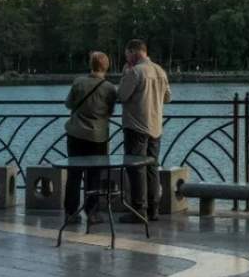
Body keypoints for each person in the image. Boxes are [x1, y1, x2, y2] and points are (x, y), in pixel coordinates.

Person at [118, 39, 170, 222]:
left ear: (133, 52)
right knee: (152, 168)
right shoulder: (160, 70)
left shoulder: (135, 71)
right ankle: (153, 208)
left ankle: (139, 210)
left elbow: (122, 96)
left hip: (136, 127)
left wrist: (125, 73)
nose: (126, 57)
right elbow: (168, 97)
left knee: (136, 168)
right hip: (156, 126)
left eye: (127, 54)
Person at [62, 51, 117, 225]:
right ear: (106, 67)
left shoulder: (78, 82)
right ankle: (92, 213)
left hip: (75, 133)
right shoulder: (110, 88)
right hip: (98, 136)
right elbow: (110, 111)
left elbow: (68, 104)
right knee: (94, 174)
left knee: (74, 174)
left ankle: (71, 212)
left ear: (90, 65)